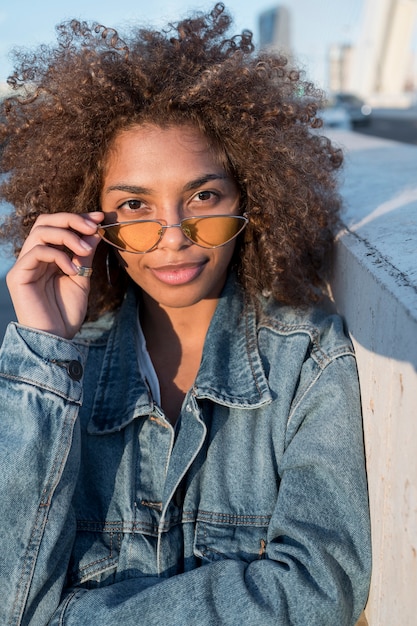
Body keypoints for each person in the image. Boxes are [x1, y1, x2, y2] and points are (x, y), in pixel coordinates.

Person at [0, 4, 371, 625]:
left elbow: (314, 588)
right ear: (92, 218)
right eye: (135, 204)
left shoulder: (307, 358)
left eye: (203, 195)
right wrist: (44, 351)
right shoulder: (56, 373)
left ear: (249, 195)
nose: (174, 235)